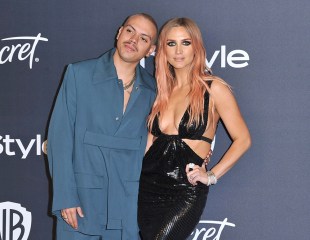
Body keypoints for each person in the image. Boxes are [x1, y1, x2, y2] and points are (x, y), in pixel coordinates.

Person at [138, 17, 251, 239]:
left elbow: (243, 139)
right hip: (148, 186)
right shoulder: (161, 92)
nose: (178, 51)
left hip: (185, 190)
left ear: (196, 47)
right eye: (171, 43)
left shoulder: (214, 88)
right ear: (163, 50)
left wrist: (211, 176)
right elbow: (149, 144)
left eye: (185, 43)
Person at [47, 13, 158, 240]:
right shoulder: (79, 74)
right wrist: (66, 196)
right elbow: (60, 139)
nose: (133, 40)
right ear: (119, 32)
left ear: (151, 50)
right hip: (80, 202)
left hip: (129, 203)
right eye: (130, 30)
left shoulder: (154, 89)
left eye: (144, 38)